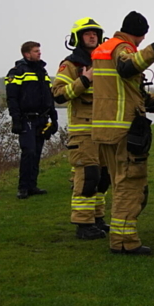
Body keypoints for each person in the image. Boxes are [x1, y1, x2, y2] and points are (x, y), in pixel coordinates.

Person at [92, 11, 154, 255]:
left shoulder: (103, 49)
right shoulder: (123, 48)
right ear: (140, 34)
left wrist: (150, 102)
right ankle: (124, 241)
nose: (140, 44)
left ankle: (120, 237)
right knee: (130, 183)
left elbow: (122, 90)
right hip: (123, 129)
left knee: (119, 182)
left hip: (104, 128)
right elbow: (127, 67)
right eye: (143, 39)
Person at [52, 18, 111, 239]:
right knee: (87, 176)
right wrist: (84, 80)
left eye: (95, 33)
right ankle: (83, 224)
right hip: (83, 130)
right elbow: (57, 94)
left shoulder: (106, 61)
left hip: (106, 130)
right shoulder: (70, 65)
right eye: (87, 33)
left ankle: (97, 218)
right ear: (77, 38)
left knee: (103, 177)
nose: (92, 36)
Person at [6, 41, 58, 199]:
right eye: (36, 51)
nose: (39, 53)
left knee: (36, 153)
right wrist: (15, 119)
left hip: (41, 119)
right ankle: (23, 187)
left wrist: (53, 120)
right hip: (26, 119)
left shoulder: (42, 71)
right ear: (26, 54)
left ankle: (32, 186)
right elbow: (12, 98)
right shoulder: (17, 72)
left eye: (39, 51)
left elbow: (50, 96)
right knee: (28, 152)